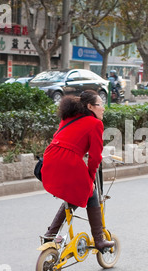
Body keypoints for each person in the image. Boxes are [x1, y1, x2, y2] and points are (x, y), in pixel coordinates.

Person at [41, 90, 114, 251]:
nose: (103, 108)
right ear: (90, 106)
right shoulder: (95, 124)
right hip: (69, 161)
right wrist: (90, 178)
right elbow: (95, 157)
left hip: (50, 157)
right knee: (90, 192)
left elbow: (65, 138)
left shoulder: (68, 117)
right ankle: (99, 240)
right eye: (100, 104)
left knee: (75, 193)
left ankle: (50, 234)